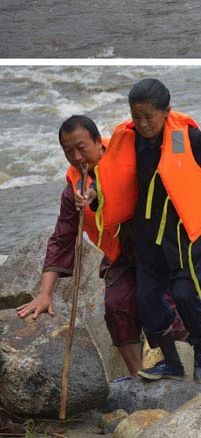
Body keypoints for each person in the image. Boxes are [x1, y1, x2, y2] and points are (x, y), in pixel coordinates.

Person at [89, 78, 201, 385]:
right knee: (147, 302)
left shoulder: (187, 139)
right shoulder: (130, 138)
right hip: (148, 239)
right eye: (137, 116)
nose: (143, 124)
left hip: (184, 237)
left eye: (150, 117)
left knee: (186, 293)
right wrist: (93, 193)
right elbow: (109, 174)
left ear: (167, 111)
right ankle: (171, 362)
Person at [16, 114, 143, 376]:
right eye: (67, 151)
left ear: (98, 142)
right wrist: (45, 293)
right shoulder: (73, 189)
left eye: (81, 148)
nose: (75, 157)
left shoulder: (128, 159)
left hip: (154, 249)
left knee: (164, 303)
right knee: (116, 305)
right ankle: (137, 376)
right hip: (120, 254)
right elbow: (62, 238)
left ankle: (193, 359)